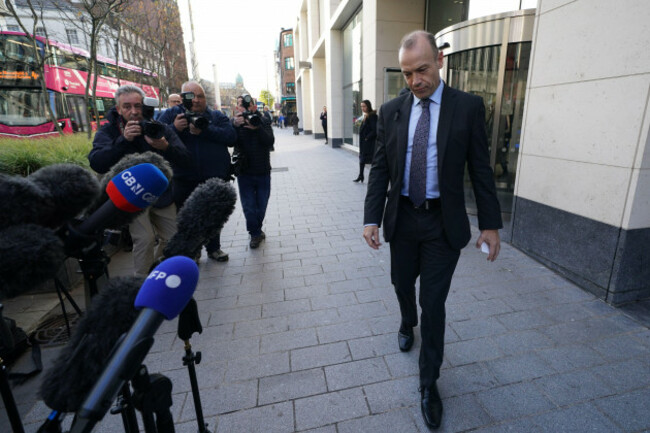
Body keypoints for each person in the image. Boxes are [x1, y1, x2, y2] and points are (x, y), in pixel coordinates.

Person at [362, 31, 502, 430]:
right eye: (407, 74)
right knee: (401, 283)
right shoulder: (391, 111)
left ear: (439, 60)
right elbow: (382, 170)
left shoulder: (468, 107)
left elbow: (480, 169)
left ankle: (429, 383)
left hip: (444, 224)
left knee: (434, 303)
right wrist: (371, 218)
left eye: (421, 70)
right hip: (402, 218)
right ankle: (406, 322)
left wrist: (490, 224)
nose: (415, 80)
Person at [88, 85, 191, 277]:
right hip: (132, 194)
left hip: (161, 193)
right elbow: (97, 162)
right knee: (144, 239)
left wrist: (165, 146)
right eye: (127, 106)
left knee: (175, 238)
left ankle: (159, 272)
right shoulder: (110, 131)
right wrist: (123, 141)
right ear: (118, 109)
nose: (133, 111)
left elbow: (185, 158)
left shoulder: (158, 128)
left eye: (137, 106)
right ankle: (140, 285)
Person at [159, 81, 236, 262]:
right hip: (183, 178)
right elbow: (155, 136)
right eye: (190, 96)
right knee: (187, 218)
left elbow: (231, 137)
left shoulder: (216, 116)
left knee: (214, 216)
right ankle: (192, 251)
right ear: (182, 98)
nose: (195, 100)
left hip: (214, 177)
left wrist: (205, 129)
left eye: (200, 96)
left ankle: (214, 248)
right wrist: (174, 129)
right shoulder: (172, 115)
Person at [232, 95, 275, 249]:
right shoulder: (236, 123)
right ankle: (255, 234)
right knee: (249, 206)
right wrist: (235, 124)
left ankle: (256, 229)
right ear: (237, 107)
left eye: (247, 104)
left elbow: (270, 141)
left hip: (263, 171)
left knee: (261, 205)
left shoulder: (262, 120)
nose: (243, 106)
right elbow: (229, 140)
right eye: (240, 104)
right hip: (244, 172)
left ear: (253, 106)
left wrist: (257, 129)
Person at [354, 100, 377, 183]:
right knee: (362, 159)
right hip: (364, 142)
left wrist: (367, 138)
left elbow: (375, 130)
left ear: (368, 106)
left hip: (369, 143)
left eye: (364, 106)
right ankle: (361, 175)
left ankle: (372, 178)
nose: (362, 108)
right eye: (361, 106)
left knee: (370, 160)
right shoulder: (366, 115)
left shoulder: (372, 116)